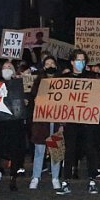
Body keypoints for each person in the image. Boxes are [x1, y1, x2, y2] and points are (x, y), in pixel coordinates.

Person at [0, 59, 28, 191]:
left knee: (15, 152)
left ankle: (13, 178)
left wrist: (25, 102)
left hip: (15, 124)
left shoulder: (19, 86)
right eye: (5, 67)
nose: (7, 69)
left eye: (10, 67)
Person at [62, 49, 100, 194]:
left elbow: (99, 93)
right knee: (70, 151)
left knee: (90, 149)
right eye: (78, 60)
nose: (81, 62)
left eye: (83, 60)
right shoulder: (64, 78)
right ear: (72, 62)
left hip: (87, 121)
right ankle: (65, 180)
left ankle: (92, 180)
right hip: (71, 121)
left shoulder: (91, 77)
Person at [28, 56, 66, 192]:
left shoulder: (63, 82)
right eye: (47, 63)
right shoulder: (39, 82)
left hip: (56, 120)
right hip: (41, 122)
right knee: (39, 151)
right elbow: (33, 101)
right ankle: (35, 177)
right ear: (43, 67)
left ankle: (55, 178)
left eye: (52, 63)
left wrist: (62, 122)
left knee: (56, 150)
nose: (50, 65)